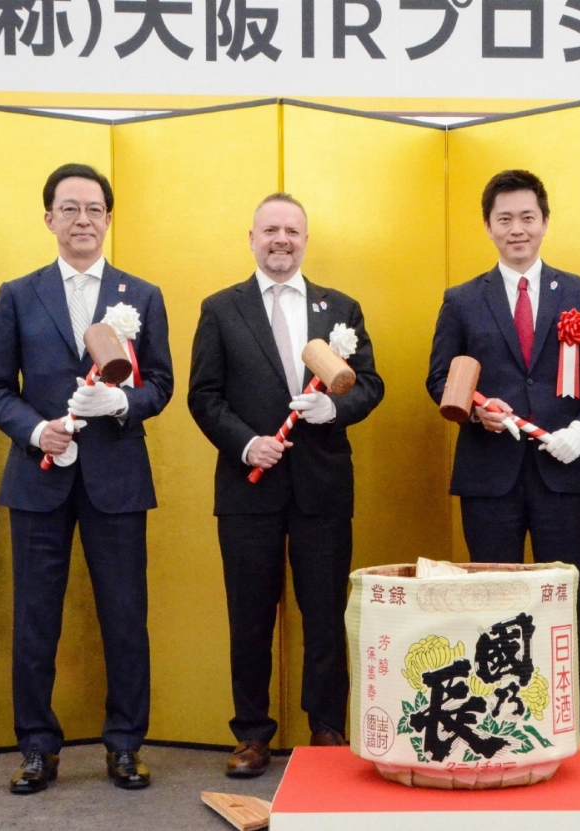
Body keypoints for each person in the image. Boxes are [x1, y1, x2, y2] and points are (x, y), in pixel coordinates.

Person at [0, 163, 173, 794]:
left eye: (94, 209)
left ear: (109, 219)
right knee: (35, 618)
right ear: (49, 219)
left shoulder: (140, 295)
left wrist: (120, 404)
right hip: (38, 480)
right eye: (69, 208)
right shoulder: (18, 293)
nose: (82, 219)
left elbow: (161, 386)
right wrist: (38, 431)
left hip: (116, 479)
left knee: (125, 616)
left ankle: (124, 745)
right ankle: (37, 746)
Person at [187, 193, 384, 777]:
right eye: (270, 230)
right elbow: (204, 395)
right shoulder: (221, 308)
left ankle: (326, 727)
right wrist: (248, 442)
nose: (281, 240)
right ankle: (251, 734)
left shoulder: (340, 308)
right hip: (249, 488)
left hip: (322, 489)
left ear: (305, 239)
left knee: (325, 613)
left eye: (291, 231)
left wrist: (334, 413)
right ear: (250, 237)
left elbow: (370, 384)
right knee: (250, 616)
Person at [425, 169, 580, 733]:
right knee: (492, 601)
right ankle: (494, 722)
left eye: (527, 217)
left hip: (564, 472)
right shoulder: (462, 299)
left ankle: (570, 721)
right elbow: (440, 377)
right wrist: (475, 412)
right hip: (490, 477)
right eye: (505, 219)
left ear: (545, 222)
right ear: (488, 226)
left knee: (564, 601)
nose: (517, 229)